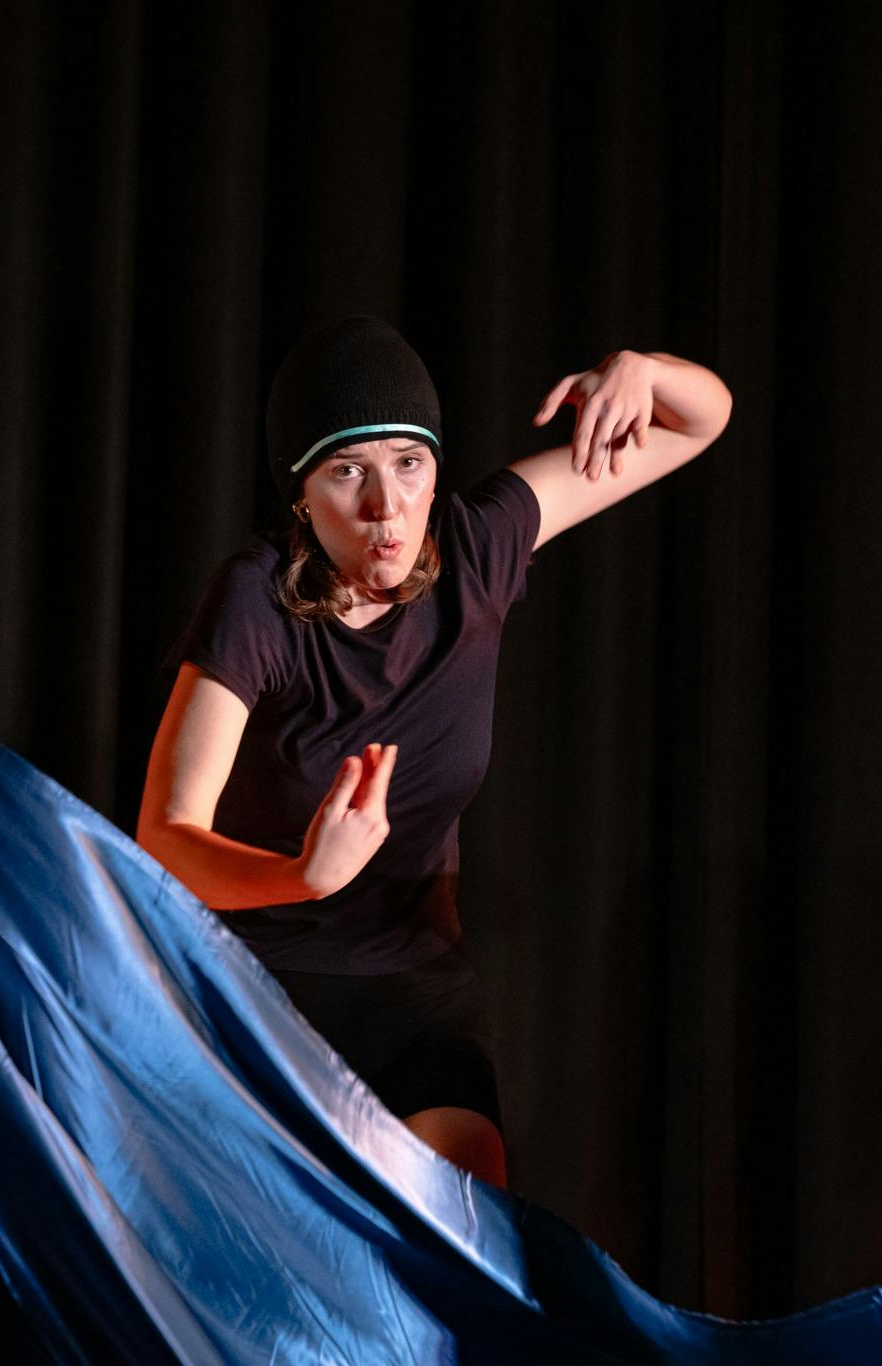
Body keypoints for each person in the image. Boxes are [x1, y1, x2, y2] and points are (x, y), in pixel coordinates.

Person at [136, 316, 731, 1185]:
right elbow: (163, 838)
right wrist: (303, 876)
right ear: (301, 493)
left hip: (414, 990)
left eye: (408, 463)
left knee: (462, 1209)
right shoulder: (256, 601)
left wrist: (640, 368)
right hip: (251, 985)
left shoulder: (477, 548)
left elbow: (700, 419)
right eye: (348, 472)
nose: (387, 507)